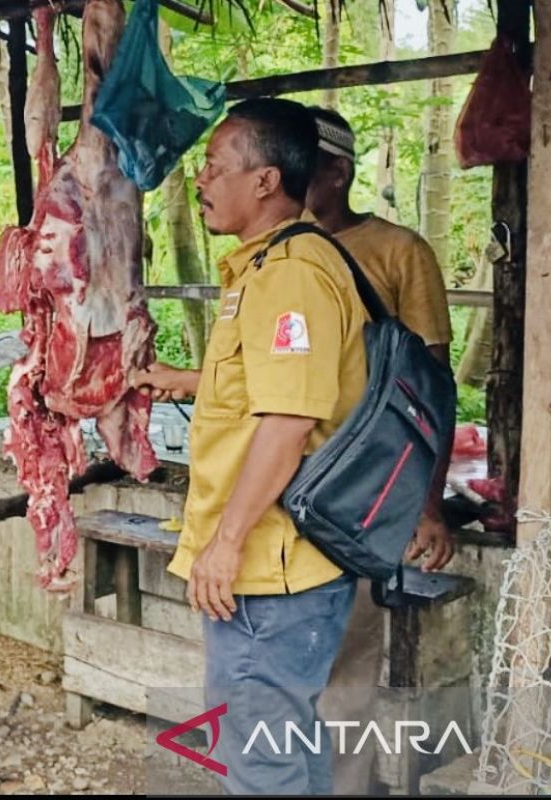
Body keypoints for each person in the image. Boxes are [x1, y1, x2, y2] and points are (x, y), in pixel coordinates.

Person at [131, 97, 368, 793]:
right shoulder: (265, 268)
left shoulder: (291, 272)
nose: (201, 180)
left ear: (265, 180)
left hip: (271, 570)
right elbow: (267, 382)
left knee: (260, 759)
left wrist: (227, 541)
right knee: (287, 743)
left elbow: (290, 418)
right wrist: (184, 378)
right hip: (278, 569)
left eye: (213, 165)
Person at [306, 105, 456, 795]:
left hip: (360, 496)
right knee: (284, 662)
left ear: (336, 171)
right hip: (283, 486)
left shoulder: (399, 252)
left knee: (348, 669)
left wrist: (426, 503)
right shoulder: (272, 253)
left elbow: (432, 386)